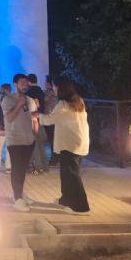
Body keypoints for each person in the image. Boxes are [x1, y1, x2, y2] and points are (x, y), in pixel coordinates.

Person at [37, 76, 90, 214]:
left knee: (72, 175)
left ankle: (80, 207)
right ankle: (66, 199)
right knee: (67, 173)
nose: (53, 88)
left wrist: (37, 115)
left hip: (70, 143)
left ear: (60, 88)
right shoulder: (78, 101)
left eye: (54, 86)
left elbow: (49, 120)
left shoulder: (62, 104)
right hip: (78, 141)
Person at [1, 73, 38, 212]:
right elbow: (9, 118)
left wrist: (35, 134)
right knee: (16, 169)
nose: (25, 85)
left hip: (29, 140)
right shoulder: (8, 100)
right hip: (15, 140)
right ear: (15, 83)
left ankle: (20, 194)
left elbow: (34, 119)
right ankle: (17, 199)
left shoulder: (30, 100)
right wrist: (19, 105)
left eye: (26, 82)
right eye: (22, 82)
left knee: (23, 169)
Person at [27, 74, 48, 174]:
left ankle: (38, 167)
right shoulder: (40, 91)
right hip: (41, 118)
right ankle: (45, 166)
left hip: (33, 120)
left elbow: (36, 104)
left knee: (35, 145)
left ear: (28, 81)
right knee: (41, 145)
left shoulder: (29, 92)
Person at [43, 75, 58, 165]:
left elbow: (43, 100)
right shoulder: (56, 93)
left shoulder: (49, 93)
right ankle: (56, 158)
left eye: (45, 82)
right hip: (55, 119)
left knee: (52, 140)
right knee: (54, 140)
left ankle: (54, 159)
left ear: (49, 83)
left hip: (50, 119)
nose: (44, 84)